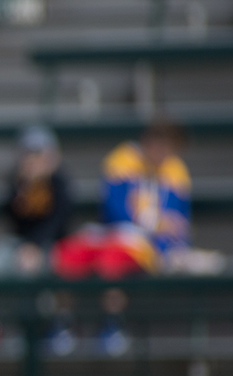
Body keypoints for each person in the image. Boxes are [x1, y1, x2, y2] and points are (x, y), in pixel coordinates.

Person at [51, 121, 191, 355]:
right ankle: (63, 323)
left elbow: (178, 225)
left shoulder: (176, 172)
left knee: (112, 260)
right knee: (69, 253)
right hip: (116, 233)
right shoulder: (121, 162)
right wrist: (156, 224)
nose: (163, 153)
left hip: (146, 247)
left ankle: (112, 324)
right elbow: (115, 212)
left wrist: (164, 243)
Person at [0, 125, 72, 277]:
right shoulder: (18, 182)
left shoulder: (58, 183)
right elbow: (13, 218)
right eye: (29, 154)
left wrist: (34, 245)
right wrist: (24, 188)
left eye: (38, 153)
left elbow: (58, 221)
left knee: (33, 267)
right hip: (18, 244)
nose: (33, 160)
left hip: (52, 245)